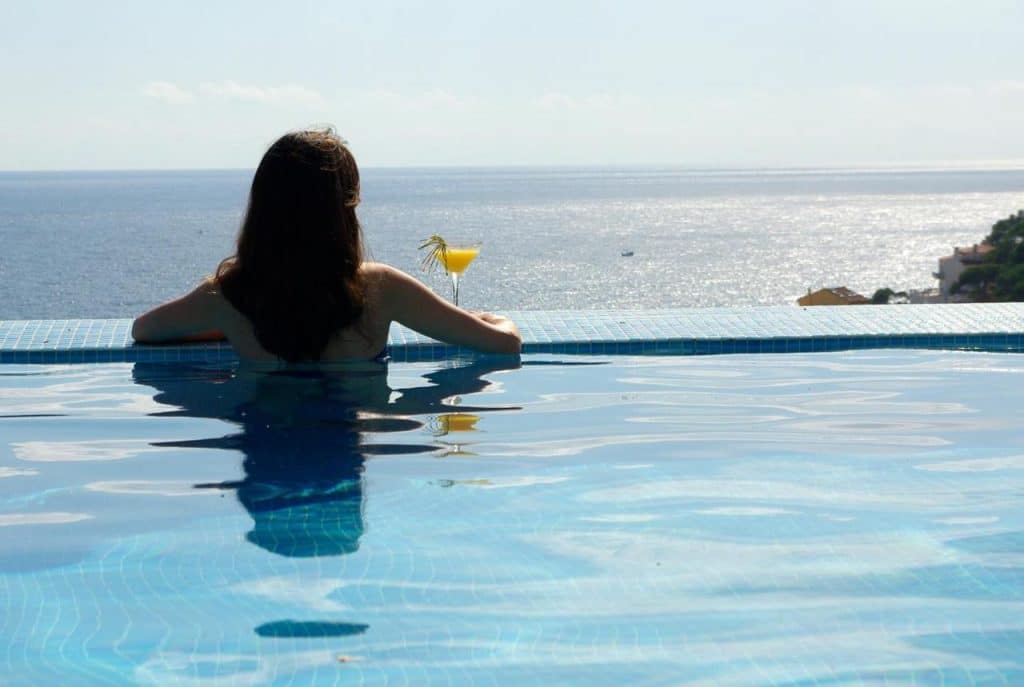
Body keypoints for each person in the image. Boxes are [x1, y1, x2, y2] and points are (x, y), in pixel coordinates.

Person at [131, 128, 521, 362]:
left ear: (262, 210)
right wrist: (492, 319)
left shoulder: (228, 297)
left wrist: (223, 327)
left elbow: (143, 330)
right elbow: (506, 345)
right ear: (344, 210)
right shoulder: (382, 289)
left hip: (268, 448)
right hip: (347, 442)